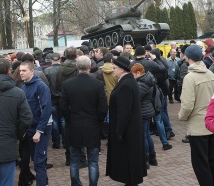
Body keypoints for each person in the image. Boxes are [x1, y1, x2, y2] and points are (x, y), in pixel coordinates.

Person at [60, 56, 108, 186]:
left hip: (74, 125)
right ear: (89, 67)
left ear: (77, 67)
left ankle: (76, 184)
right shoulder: (98, 84)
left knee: (74, 160)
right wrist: (98, 120)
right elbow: (103, 108)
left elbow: (63, 106)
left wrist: (70, 119)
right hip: (91, 126)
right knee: (93, 161)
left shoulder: (67, 84)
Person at [178, 45, 214, 186]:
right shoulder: (210, 74)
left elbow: (187, 105)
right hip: (211, 123)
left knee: (201, 165)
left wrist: (182, 117)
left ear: (188, 57)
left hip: (197, 127)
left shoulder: (190, 78)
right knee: (212, 161)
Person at [106, 56, 146, 185]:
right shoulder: (127, 81)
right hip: (130, 129)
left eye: (115, 68)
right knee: (130, 158)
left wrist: (119, 131)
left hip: (128, 131)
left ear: (122, 69)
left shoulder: (126, 84)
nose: (112, 70)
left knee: (128, 158)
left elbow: (124, 111)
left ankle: (130, 181)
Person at [20, 61, 52, 186]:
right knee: (37, 160)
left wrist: (39, 131)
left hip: (41, 129)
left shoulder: (41, 87)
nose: (21, 73)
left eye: (24, 70)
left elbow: (47, 109)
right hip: (30, 128)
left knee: (38, 161)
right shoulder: (24, 86)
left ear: (32, 71)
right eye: (20, 70)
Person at [131, 63, 160, 168]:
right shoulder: (148, 79)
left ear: (138, 73)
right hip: (148, 110)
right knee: (147, 135)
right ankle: (152, 157)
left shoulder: (142, 83)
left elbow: (136, 99)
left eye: (133, 74)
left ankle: (145, 159)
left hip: (143, 112)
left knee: (144, 136)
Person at [44, 53, 65, 150]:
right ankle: (65, 141)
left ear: (52, 60)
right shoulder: (64, 70)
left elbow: (46, 85)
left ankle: (56, 142)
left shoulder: (47, 70)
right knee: (63, 120)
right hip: (63, 97)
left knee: (55, 121)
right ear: (60, 60)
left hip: (52, 97)